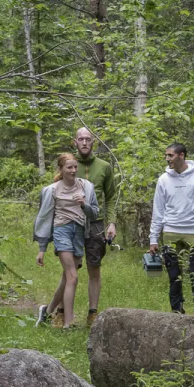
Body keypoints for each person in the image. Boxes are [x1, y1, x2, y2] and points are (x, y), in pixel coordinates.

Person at [33, 153, 99, 329]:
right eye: (69, 167)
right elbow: (44, 218)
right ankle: (68, 324)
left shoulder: (86, 187)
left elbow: (95, 213)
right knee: (73, 276)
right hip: (61, 230)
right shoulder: (52, 190)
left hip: (78, 233)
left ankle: (46, 312)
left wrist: (84, 204)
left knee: (66, 278)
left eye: (75, 167)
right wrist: (42, 248)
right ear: (61, 169)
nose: (73, 170)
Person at [148, 143, 194, 315]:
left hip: (193, 231)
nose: (167, 159)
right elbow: (158, 210)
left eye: (170, 155)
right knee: (174, 275)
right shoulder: (163, 179)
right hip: (170, 231)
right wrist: (153, 238)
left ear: (181, 155)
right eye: (166, 156)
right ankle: (177, 310)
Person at [73, 127, 117, 328]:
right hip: (72, 222)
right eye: (80, 139)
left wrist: (111, 223)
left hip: (96, 223)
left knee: (94, 268)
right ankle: (62, 311)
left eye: (88, 139)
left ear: (93, 142)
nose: (84, 142)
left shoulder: (105, 167)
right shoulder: (68, 165)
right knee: (70, 269)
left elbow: (110, 197)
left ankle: (92, 313)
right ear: (75, 142)